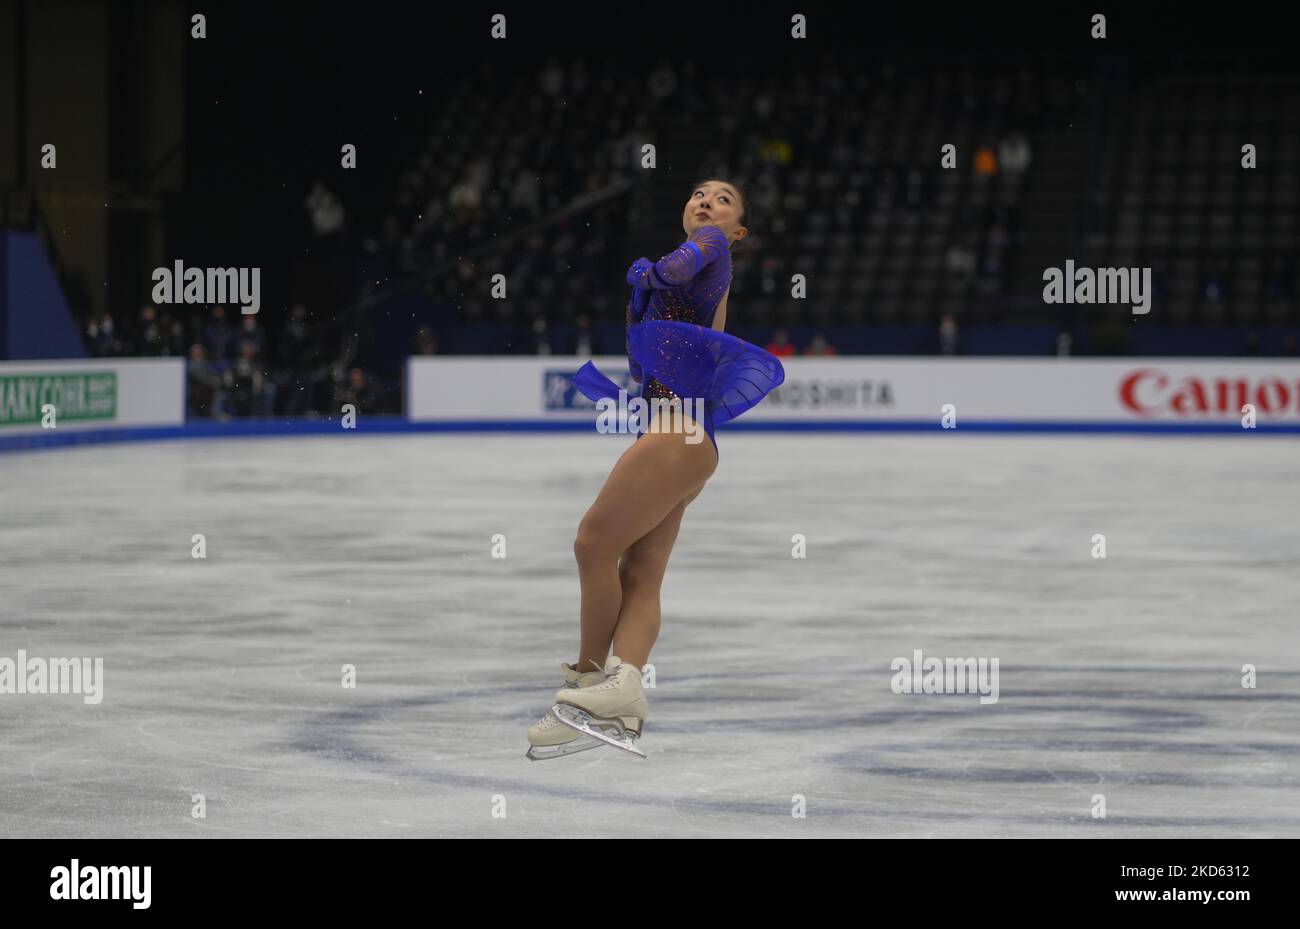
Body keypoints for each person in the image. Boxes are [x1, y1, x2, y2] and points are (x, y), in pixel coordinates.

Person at [526, 179, 785, 759]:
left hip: (679, 428)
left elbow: (666, 273)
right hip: (685, 433)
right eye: (697, 193)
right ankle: (626, 691)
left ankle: (586, 688)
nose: (706, 202)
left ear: (737, 230)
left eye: (722, 199)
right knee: (640, 572)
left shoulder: (709, 247)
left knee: (593, 544)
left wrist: (643, 271)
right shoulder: (705, 263)